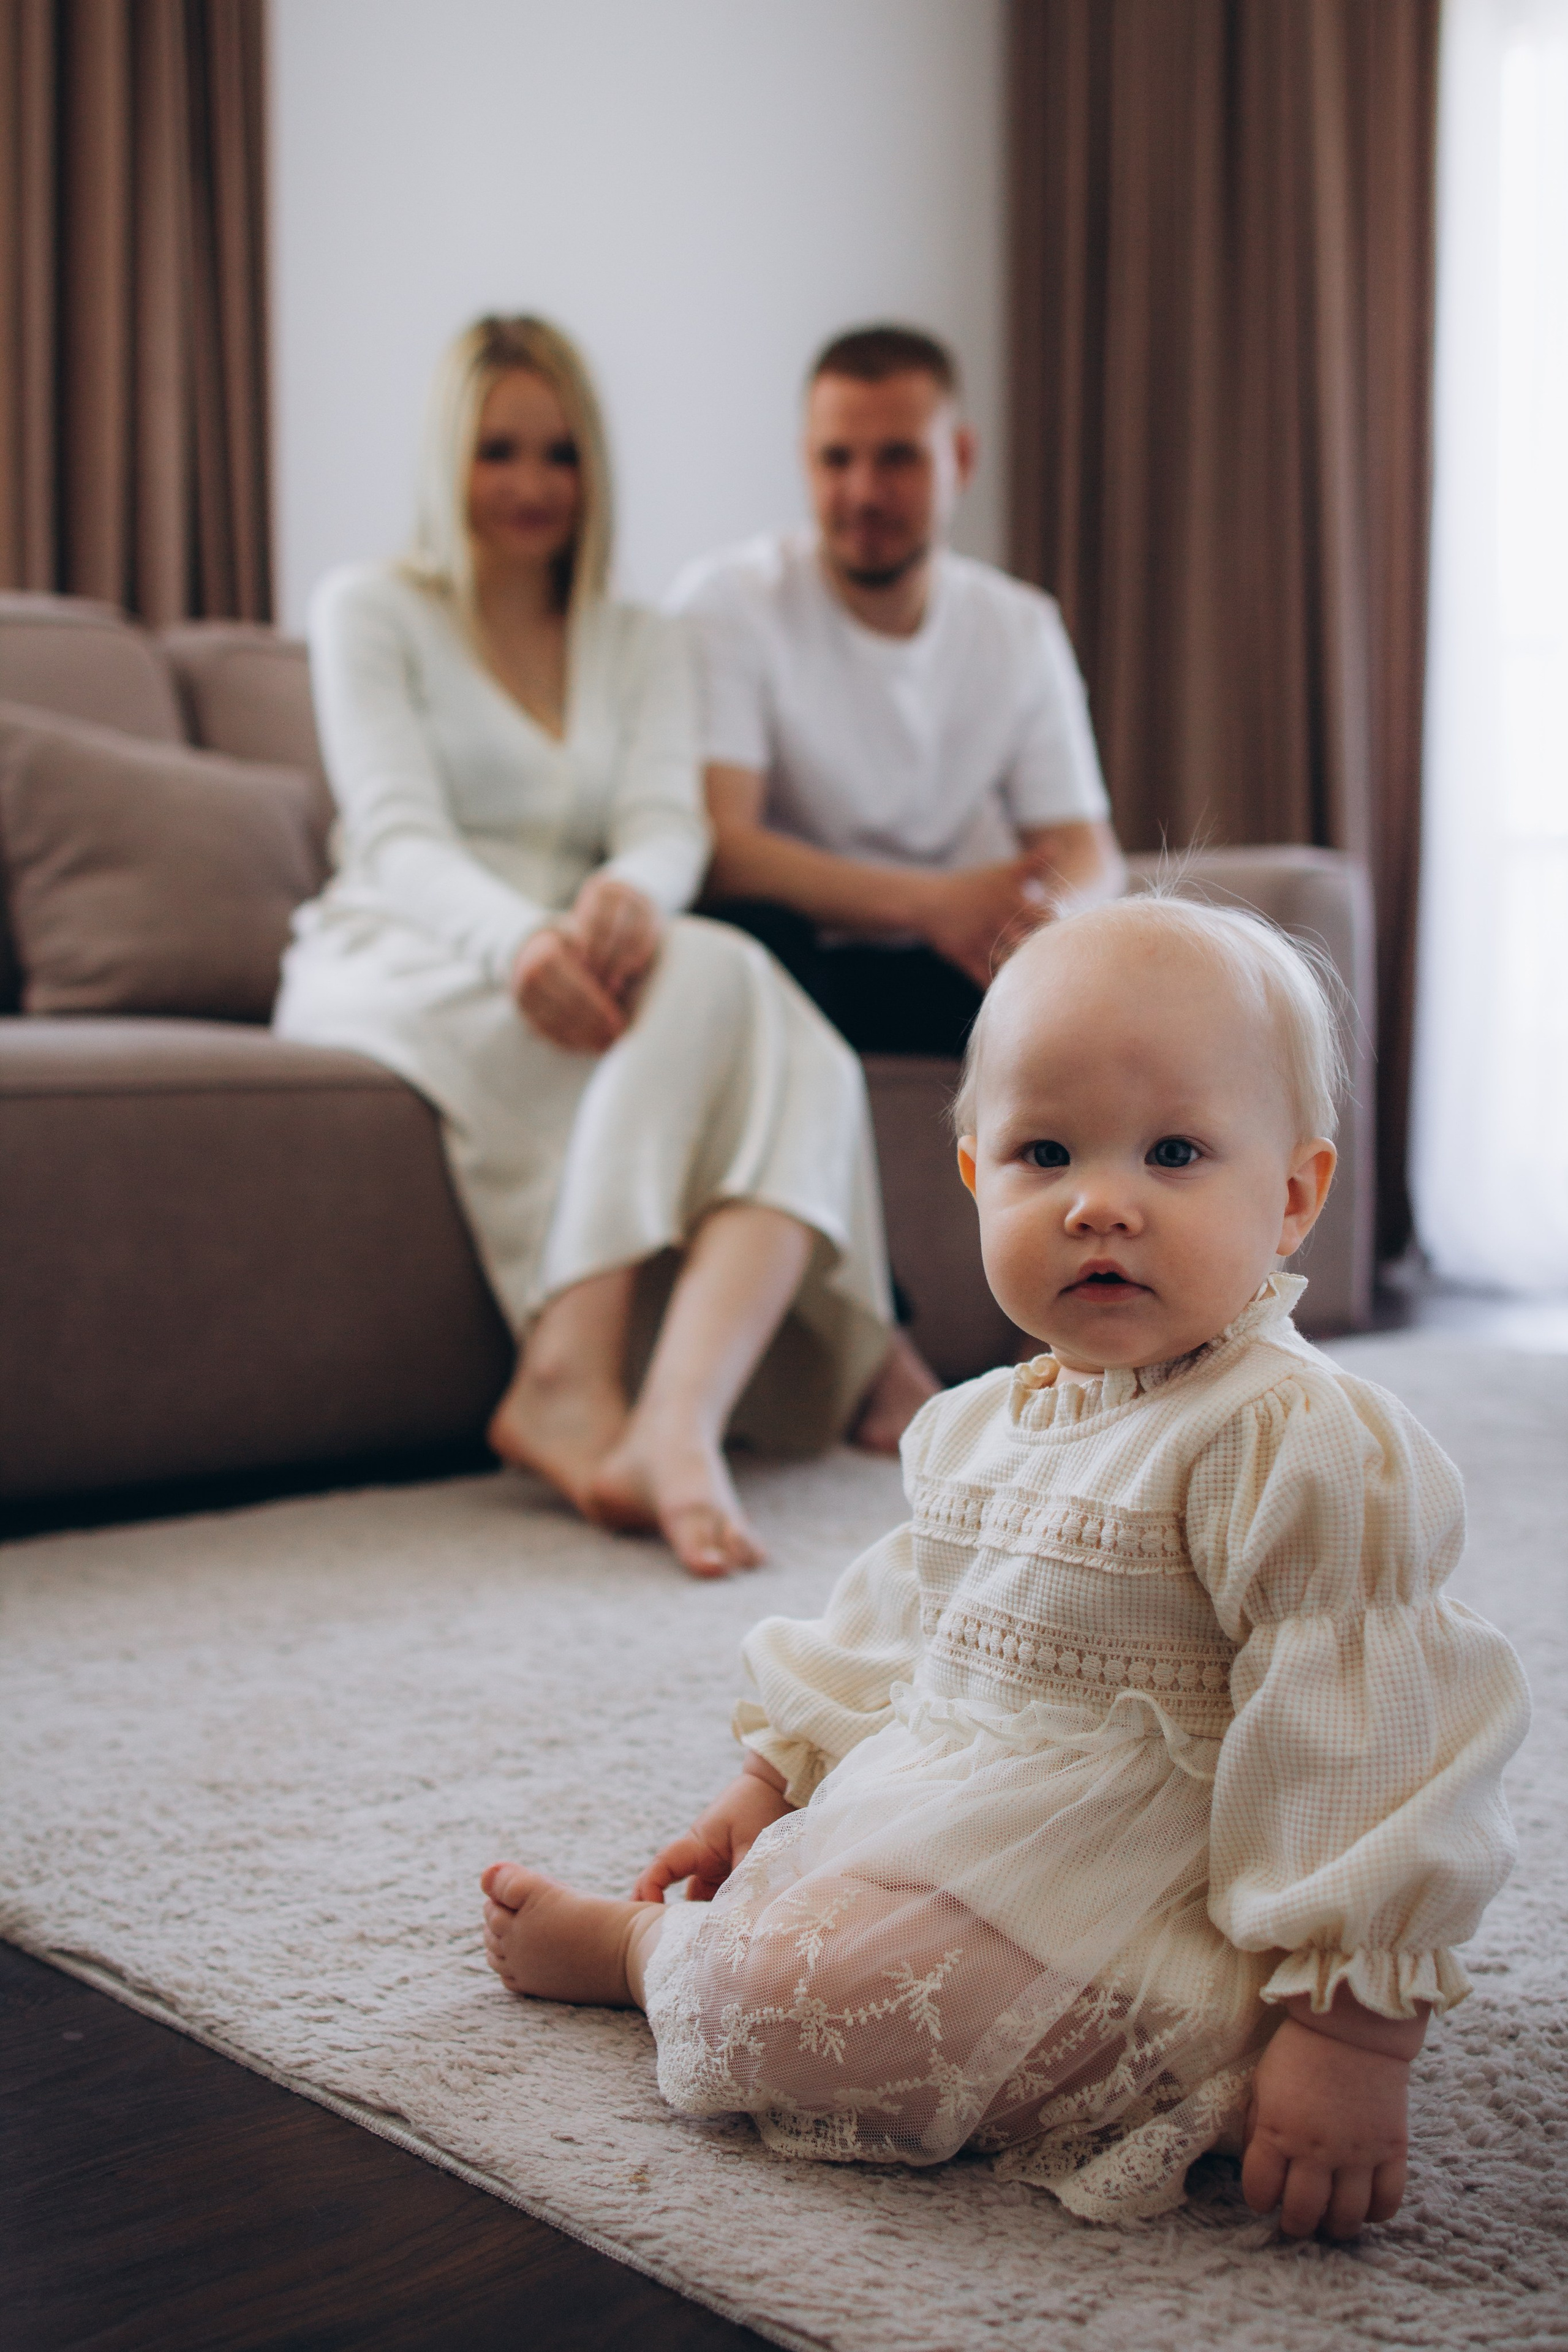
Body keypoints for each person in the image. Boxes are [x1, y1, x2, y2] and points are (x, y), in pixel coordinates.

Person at [478, 892, 1529, 2232]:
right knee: (824, 1924)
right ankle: (689, 1944)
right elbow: (898, 1624)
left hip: (1181, 1884)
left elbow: (1367, 1736)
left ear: (1291, 1195)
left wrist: (1351, 2030)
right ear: (976, 1175)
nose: (1101, 1202)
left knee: (805, 2000)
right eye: (1045, 1152)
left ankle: (651, 1962)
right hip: (984, 1814)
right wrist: (769, 1780)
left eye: (1172, 1152)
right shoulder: (977, 1424)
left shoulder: (1289, 1438)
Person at [274, 314, 900, 1581]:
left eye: (557, 453)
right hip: (400, 949)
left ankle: (652, 1407)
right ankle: (731, 1364)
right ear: (448, 459)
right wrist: (518, 944)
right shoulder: (369, 609)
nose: (527, 484)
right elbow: (394, 837)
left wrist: (626, 893)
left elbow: (668, 826)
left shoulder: (643, 639)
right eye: (497, 449)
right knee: (745, 990)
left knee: (735, 976)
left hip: (600, 953)